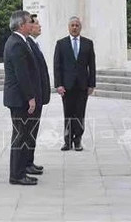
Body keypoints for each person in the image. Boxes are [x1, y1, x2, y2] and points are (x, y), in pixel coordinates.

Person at [3, 10, 41, 185]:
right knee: (20, 136)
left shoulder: (18, 41)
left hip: (18, 98)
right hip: (19, 99)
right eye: (28, 22)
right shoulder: (17, 44)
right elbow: (22, 75)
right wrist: (30, 97)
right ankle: (17, 174)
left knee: (22, 135)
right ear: (21, 25)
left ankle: (20, 170)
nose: (30, 25)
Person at [54, 17, 96, 151]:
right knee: (68, 113)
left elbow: (92, 66)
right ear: (68, 27)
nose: (74, 27)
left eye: (77, 25)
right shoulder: (61, 44)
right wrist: (58, 84)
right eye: (72, 25)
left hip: (83, 86)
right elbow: (57, 66)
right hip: (67, 86)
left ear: (80, 27)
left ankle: (77, 140)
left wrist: (92, 84)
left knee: (80, 114)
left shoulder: (88, 43)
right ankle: (67, 141)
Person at [27, 14, 51, 174]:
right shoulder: (27, 44)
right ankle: (26, 163)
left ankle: (29, 161)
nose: (40, 26)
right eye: (37, 24)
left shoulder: (33, 43)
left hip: (39, 94)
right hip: (33, 96)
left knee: (32, 132)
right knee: (28, 133)